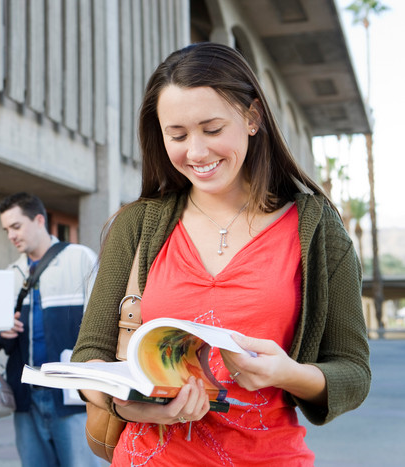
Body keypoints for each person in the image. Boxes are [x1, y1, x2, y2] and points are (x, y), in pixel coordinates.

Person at [71, 42, 371, 466]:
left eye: (212, 130)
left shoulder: (316, 229)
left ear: (252, 118)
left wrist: (287, 373)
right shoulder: (138, 224)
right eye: (177, 135)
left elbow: (354, 373)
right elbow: (88, 357)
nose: (195, 153)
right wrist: (127, 404)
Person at [0, 192, 101, 467]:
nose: (10, 236)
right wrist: (2, 332)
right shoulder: (11, 272)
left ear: (39, 220)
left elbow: (102, 326)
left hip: (72, 394)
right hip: (26, 396)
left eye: (16, 227)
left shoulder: (81, 259)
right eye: (6, 230)